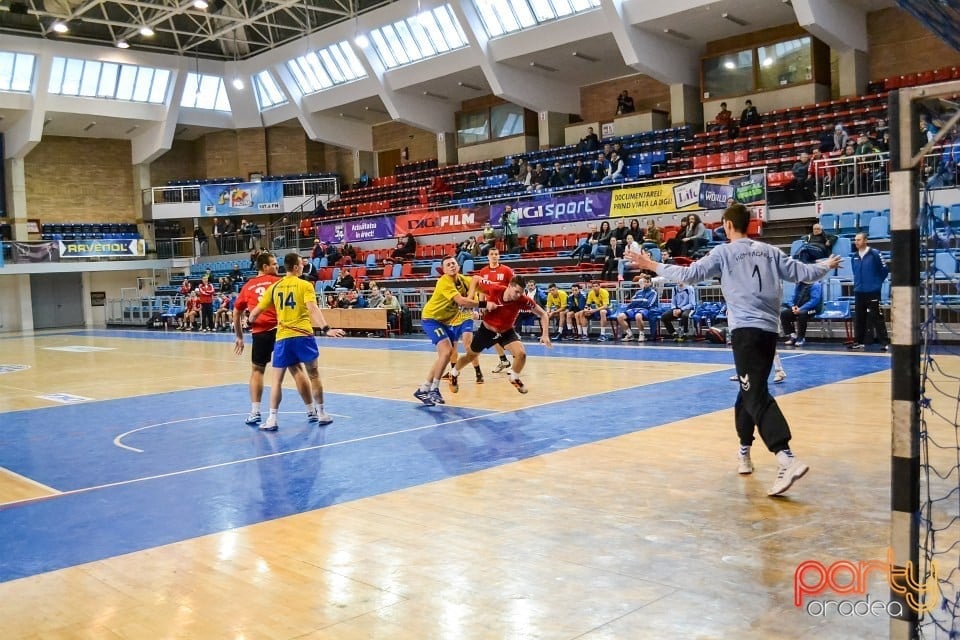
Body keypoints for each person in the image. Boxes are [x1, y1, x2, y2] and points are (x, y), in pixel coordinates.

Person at [626, 203, 842, 496]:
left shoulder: (724, 252)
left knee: (755, 394)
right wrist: (826, 266)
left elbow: (690, 275)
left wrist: (652, 265)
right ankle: (744, 450)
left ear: (728, 225)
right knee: (748, 391)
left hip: (746, 331)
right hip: (769, 330)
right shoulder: (769, 251)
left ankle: (785, 457)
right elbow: (803, 273)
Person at [247, 252, 346, 431]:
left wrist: (249, 321)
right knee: (313, 375)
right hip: (303, 336)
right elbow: (312, 308)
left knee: (276, 380)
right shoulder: (305, 285)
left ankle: (272, 418)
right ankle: (321, 413)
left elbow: (256, 312)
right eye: (301, 264)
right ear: (295, 267)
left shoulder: (275, 287)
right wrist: (326, 328)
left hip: (283, 338)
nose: (303, 266)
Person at [447, 275, 551, 395]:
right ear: (509, 286)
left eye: (521, 293)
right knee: (470, 356)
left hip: (506, 331)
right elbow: (475, 278)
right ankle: (453, 373)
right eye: (516, 291)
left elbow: (543, 314)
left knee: (521, 354)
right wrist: (472, 298)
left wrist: (545, 334)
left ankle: (514, 377)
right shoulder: (495, 288)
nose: (518, 295)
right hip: (487, 331)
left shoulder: (523, 300)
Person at [413, 256, 481, 406]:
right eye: (448, 265)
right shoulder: (444, 281)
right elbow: (462, 301)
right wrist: (483, 304)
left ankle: (423, 389)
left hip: (446, 322)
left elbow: (481, 285)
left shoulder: (464, 280)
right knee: (446, 352)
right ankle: (434, 390)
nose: (451, 266)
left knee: (445, 355)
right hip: (431, 319)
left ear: (458, 266)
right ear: (443, 270)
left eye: (453, 263)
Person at [233, 251, 280, 426]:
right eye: (274, 264)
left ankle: (255, 412)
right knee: (296, 368)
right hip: (281, 330)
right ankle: (312, 411)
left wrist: (239, 336)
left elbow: (236, 312)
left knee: (257, 371)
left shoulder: (248, 286)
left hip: (261, 332)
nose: (277, 267)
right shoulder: (278, 281)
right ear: (265, 267)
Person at [476, 247, 515, 374]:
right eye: (491, 254)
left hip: (505, 308)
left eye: (496, 254)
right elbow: (481, 290)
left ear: (499, 256)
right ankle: (503, 360)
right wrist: (481, 305)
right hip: (490, 308)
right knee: (491, 336)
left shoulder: (506, 270)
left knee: (507, 335)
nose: (494, 256)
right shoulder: (483, 271)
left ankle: (515, 359)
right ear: (487, 257)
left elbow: (515, 287)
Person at [849, 232, 889, 351]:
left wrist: (876, 284)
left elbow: (884, 269)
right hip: (859, 291)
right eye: (855, 240)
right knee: (859, 317)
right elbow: (855, 272)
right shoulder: (854, 256)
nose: (856, 242)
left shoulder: (875, 253)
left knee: (877, 316)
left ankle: (884, 342)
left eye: (859, 240)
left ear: (865, 240)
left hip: (873, 291)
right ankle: (859, 341)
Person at [780, 280, 822, 348]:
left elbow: (814, 301)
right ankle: (793, 336)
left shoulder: (815, 285)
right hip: (799, 308)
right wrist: (792, 306)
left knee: (802, 314)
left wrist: (801, 309)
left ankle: (801, 338)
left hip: (814, 309)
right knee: (784, 314)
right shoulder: (799, 284)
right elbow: (793, 297)